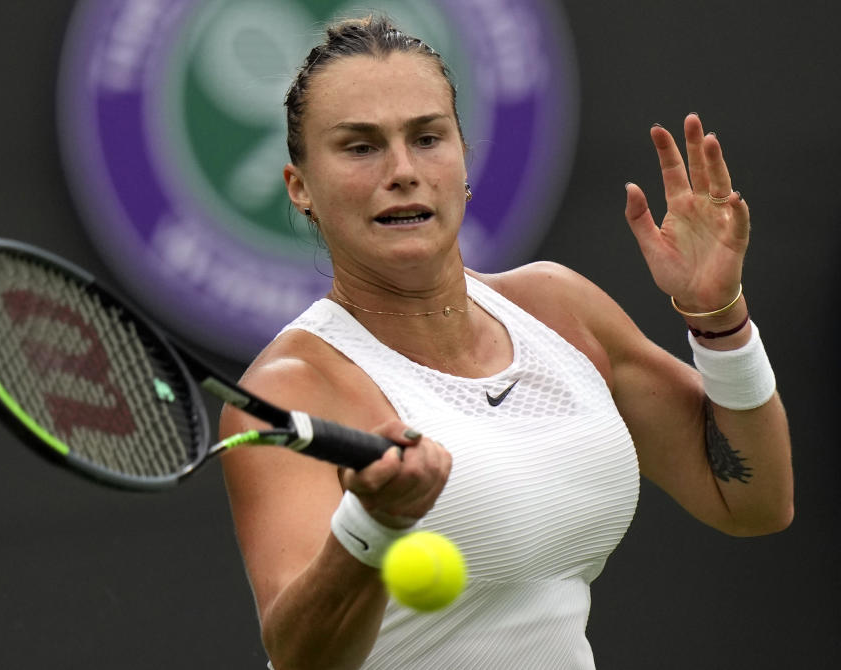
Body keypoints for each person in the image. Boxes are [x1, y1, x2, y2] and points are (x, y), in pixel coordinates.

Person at [219, 16, 793, 670]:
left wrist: (719, 320)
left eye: (428, 137)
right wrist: (373, 526)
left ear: (464, 161)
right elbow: (300, 659)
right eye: (360, 147)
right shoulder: (287, 388)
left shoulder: (558, 308)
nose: (404, 170)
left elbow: (753, 502)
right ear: (300, 189)